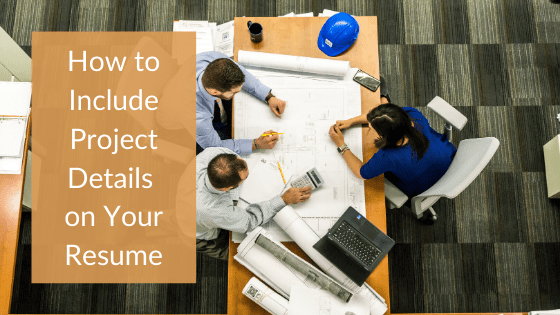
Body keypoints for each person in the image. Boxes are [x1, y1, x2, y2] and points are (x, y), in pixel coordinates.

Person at [328, 84, 456, 224]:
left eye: (372, 128)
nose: (369, 127)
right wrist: (350, 122)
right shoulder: (414, 116)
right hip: (450, 160)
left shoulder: (389, 156)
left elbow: (361, 172)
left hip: (423, 186)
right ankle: (384, 98)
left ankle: (383, 98)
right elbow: (388, 117)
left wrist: (341, 144)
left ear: (385, 136)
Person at [156, 51, 287, 155]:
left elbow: (242, 74)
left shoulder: (212, 59)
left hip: (177, 91)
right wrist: (256, 144)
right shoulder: (195, 115)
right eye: (234, 93)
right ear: (214, 92)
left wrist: (268, 96)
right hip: (178, 128)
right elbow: (215, 147)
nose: (238, 93)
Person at [195, 147, 312, 260]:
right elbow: (250, 221)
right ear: (227, 188)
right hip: (196, 232)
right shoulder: (214, 210)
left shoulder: (211, 153)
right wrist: (284, 199)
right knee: (237, 252)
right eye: (246, 177)